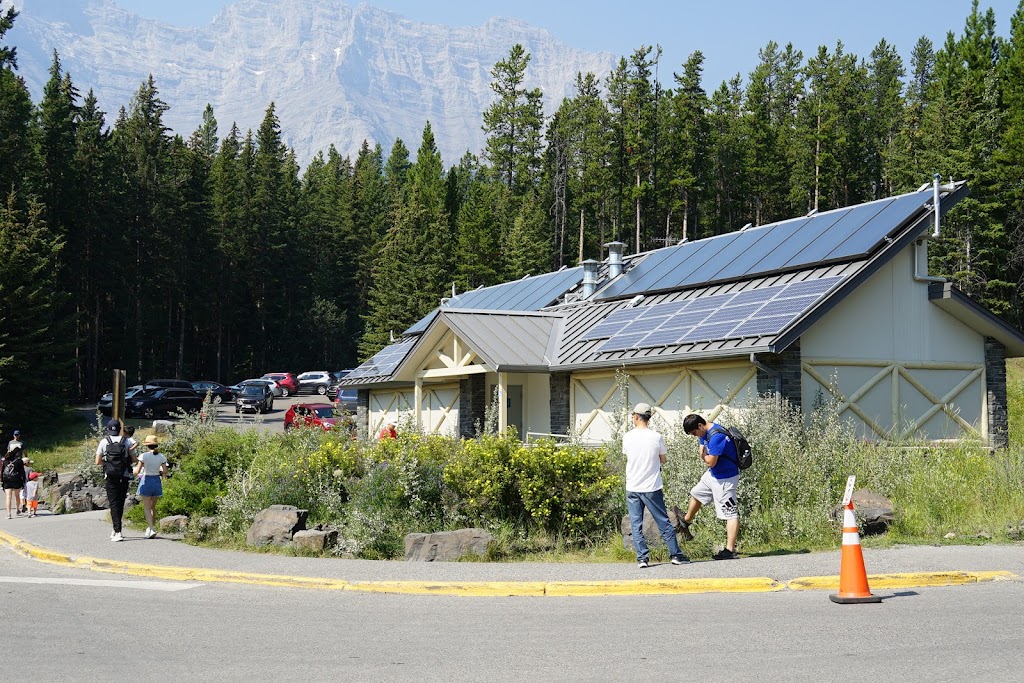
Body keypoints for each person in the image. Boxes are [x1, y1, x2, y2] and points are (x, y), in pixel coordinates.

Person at [622, 403, 688, 568]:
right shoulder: (656, 436)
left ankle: (642, 558)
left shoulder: (627, 437)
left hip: (632, 486)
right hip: (651, 487)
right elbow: (663, 459)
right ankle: (675, 555)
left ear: (636, 417)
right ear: (648, 417)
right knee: (663, 521)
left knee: (636, 524)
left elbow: (628, 455)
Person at [679, 413, 740, 560]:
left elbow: (710, 461)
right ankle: (685, 521)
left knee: (730, 513)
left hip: (725, 478)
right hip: (713, 475)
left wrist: (703, 456)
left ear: (700, 426)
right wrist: (703, 450)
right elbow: (702, 444)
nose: (695, 436)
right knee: (696, 492)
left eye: (694, 433)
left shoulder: (716, 437)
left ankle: (730, 550)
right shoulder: (704, 430)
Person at [94, 419, 138, 542]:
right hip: (123, 475)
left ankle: (117, 531)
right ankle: (117, 529)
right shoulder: (127, 441)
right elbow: (134, 460)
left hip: (110, 476)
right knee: (120, 502)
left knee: (113, 503)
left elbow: (97, 461)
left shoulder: (104, 441)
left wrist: (107, 464)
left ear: (108, 429)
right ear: (120, 429)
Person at [134, 434, 168, 539]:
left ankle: (152, 528)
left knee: (147, 507)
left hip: (147, 479)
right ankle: (150, 528)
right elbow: (165, 471)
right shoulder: (161, 456)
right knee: (153, 507)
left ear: (147, 446)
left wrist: (133, 471)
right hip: (156, 480)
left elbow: (137, 471)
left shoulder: (143, 456)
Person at [2, 445, 26, 519]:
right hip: (16, 480)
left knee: (8, 497)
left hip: (7, 480)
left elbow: (2, 471)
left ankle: (8, 514)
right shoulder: (19, 461)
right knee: (17, 496)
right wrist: (24, 481)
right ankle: (17, 509)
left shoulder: (5, 460)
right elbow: (22, 472)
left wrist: (2, 481)